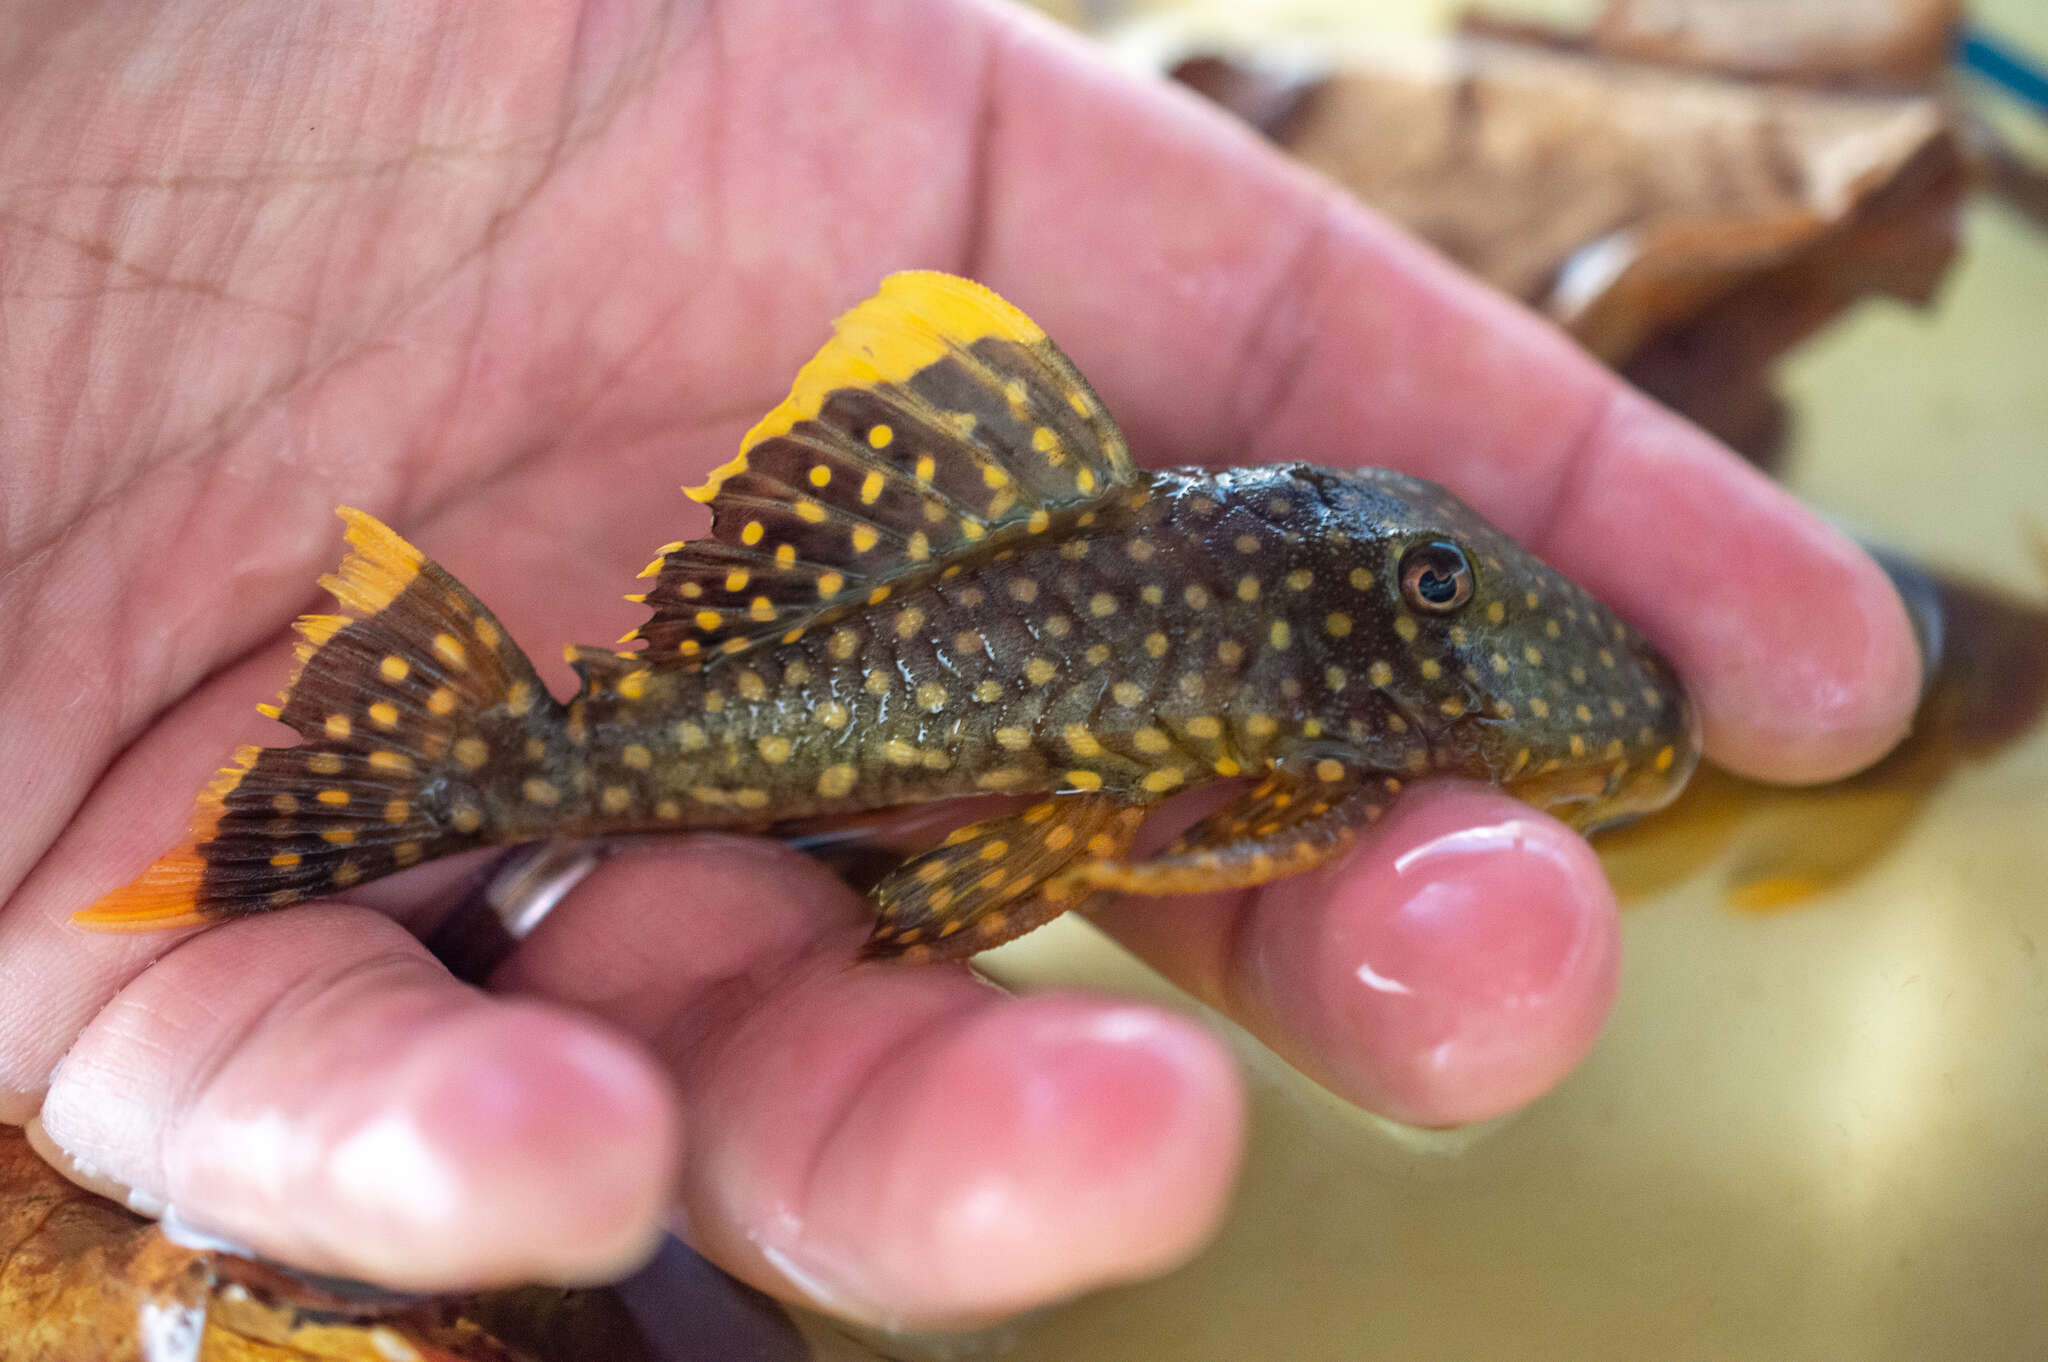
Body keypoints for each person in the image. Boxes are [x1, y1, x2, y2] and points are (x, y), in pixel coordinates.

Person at [0, 0, 1918, 1331]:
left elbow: (1173, 820)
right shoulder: (1367, 704)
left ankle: (396, 774)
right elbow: (1183, 828)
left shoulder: (1373, 672)